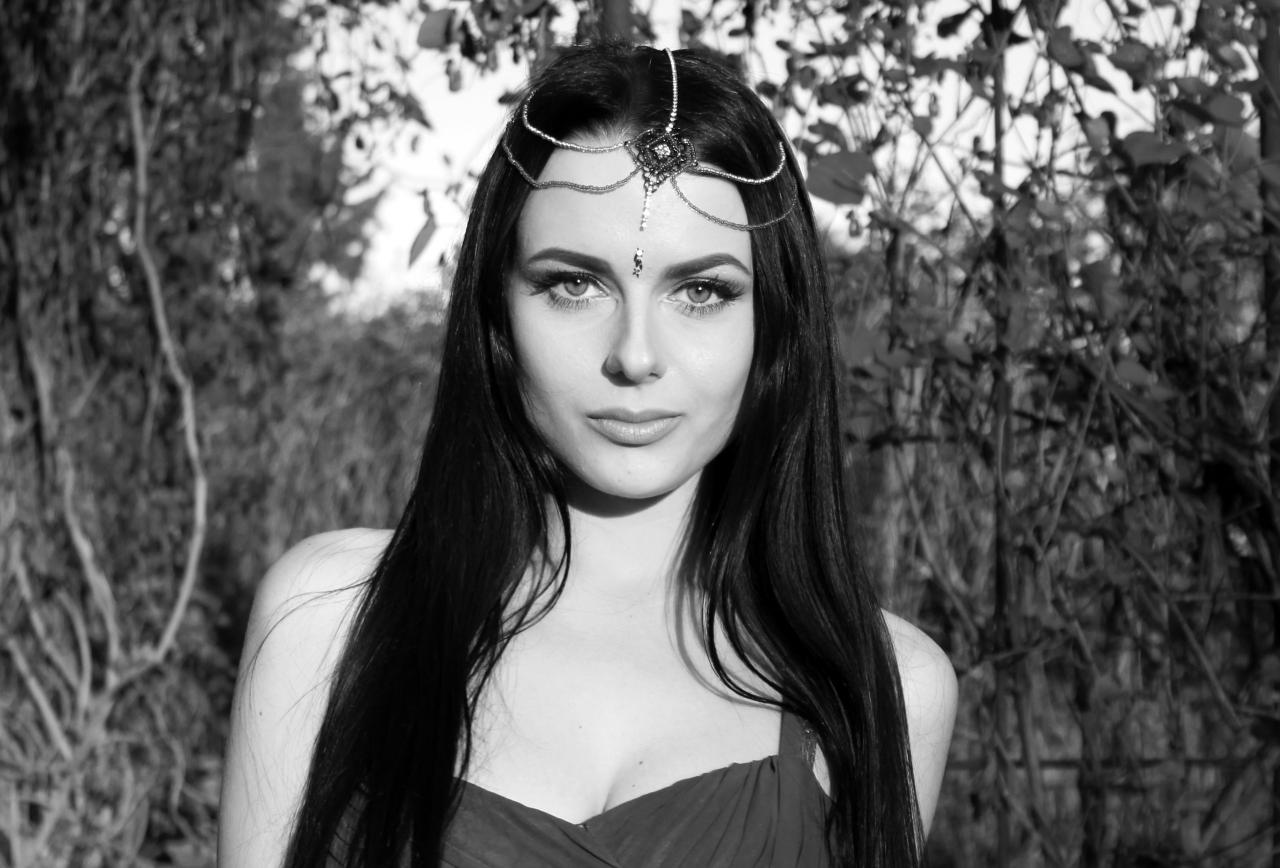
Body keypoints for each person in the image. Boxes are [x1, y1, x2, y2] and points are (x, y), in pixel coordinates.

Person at [218, 42, 956, 868]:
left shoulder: (884, 688)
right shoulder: (327, 623)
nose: (635, 356)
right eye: (574, 284)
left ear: (774, 323)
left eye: (702, 291)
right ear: (497, 312)